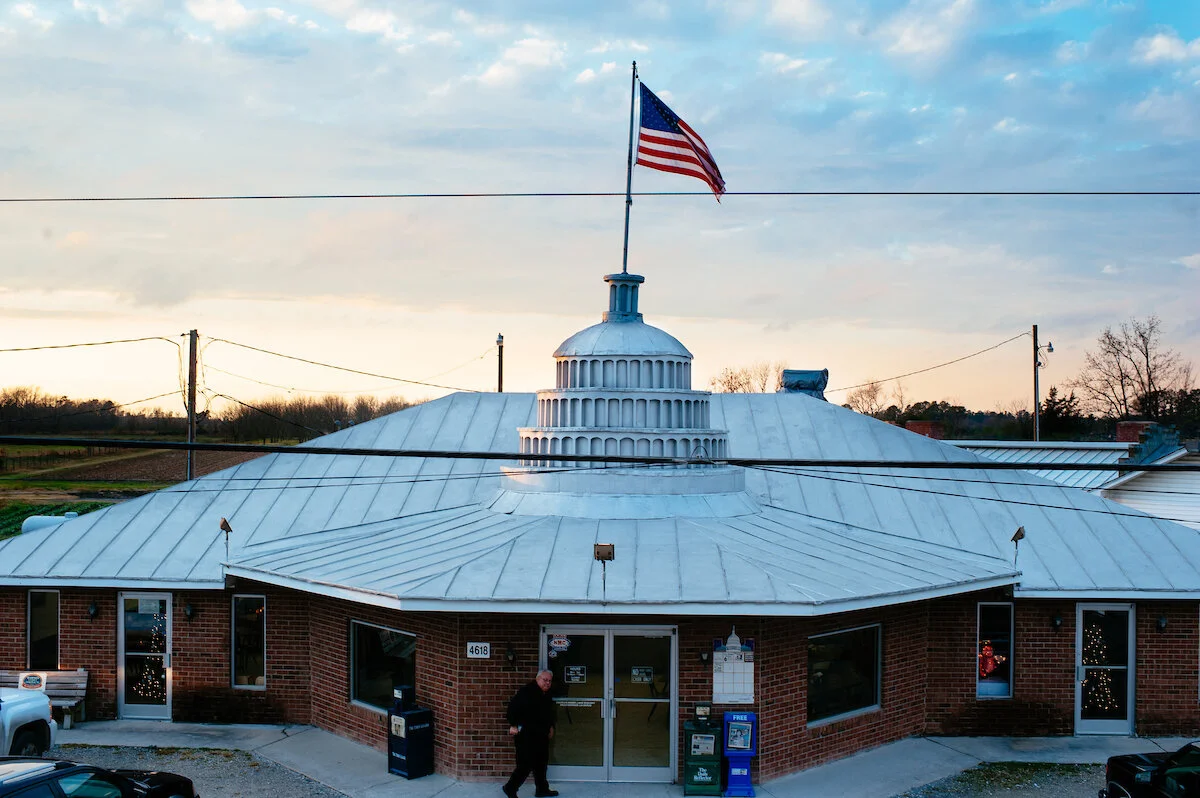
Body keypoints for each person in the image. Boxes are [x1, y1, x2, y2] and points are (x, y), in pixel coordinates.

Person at [503, 670, 558, 798]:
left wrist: (551, 727)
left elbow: (549, 713)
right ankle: (510, 788)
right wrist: (513, 724)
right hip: (526, 735)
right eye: (545, 680)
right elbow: (512, 709)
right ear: (538, 679)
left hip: (541, 734)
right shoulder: (526, 692)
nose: (548, 683)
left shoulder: (547, 694)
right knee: (525, 765)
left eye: (549, 681)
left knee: (541, 764)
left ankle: (542, 789)